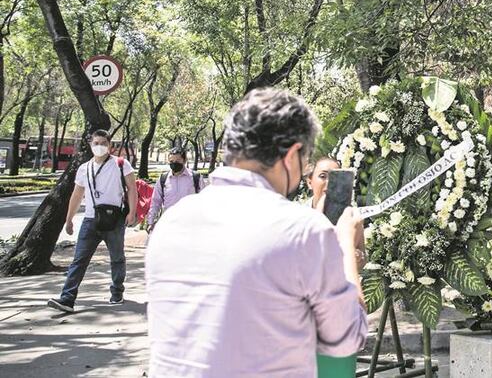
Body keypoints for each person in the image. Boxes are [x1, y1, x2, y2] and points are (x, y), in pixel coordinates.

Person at [146, 88, 368, 377]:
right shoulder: (302, 230)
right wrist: (345, 242)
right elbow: (348, 337)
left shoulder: (171, 222)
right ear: (291, 155)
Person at [47, 130, 137, 313]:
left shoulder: (121, 164)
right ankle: (67, 299)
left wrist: (132, 213)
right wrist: (69, 219)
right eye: (96, 143)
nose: (100, 146)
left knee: (117, 258)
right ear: (90, 145)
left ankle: (117, 291)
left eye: (103, 142)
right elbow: (77, 194)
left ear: (110, 145)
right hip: (91, 220)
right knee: (79, 260)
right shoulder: (84, 168)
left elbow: (132, 189)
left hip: (115, 219)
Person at [147, 148, 203, 232]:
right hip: (168, 224)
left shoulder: (196, 178)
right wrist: (150, 221)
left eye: (177, 160)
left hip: (190, 224)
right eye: (171, 161)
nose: (174, 164)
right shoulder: (163, 179)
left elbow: (204, 201)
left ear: (184, 160)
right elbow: (156, 201)